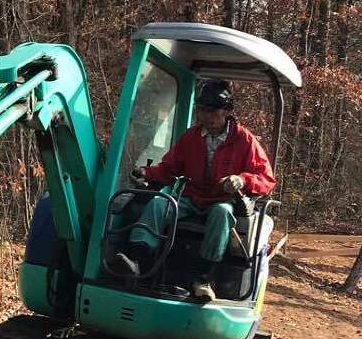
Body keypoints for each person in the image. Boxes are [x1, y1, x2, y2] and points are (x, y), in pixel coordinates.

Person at [112, 78, 275, 303]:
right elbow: (169, 168)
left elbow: (266, 178)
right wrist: (147, 173)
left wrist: (242, 180)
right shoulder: (191, 137)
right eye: (202, 110)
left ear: (227, 110)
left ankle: (204, 278)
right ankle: (136, 259)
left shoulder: (244, 140)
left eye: (211, 111)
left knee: (222, 213)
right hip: (192, 197)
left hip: (222, 201)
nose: (206, 116)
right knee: (160, 202)